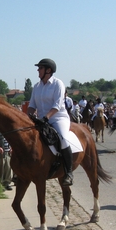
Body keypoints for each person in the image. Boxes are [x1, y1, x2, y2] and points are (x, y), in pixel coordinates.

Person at [27, 58, 74, 186]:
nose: (38, 70)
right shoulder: (36, 87)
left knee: (63, 138)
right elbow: (32, 105)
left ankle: (69, 172)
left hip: (57, 118)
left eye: (40, 68)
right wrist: (27, 117)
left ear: (48, 70)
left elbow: (57, 105)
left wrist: (46, 118)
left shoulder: (58, 84)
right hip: (41, 119)